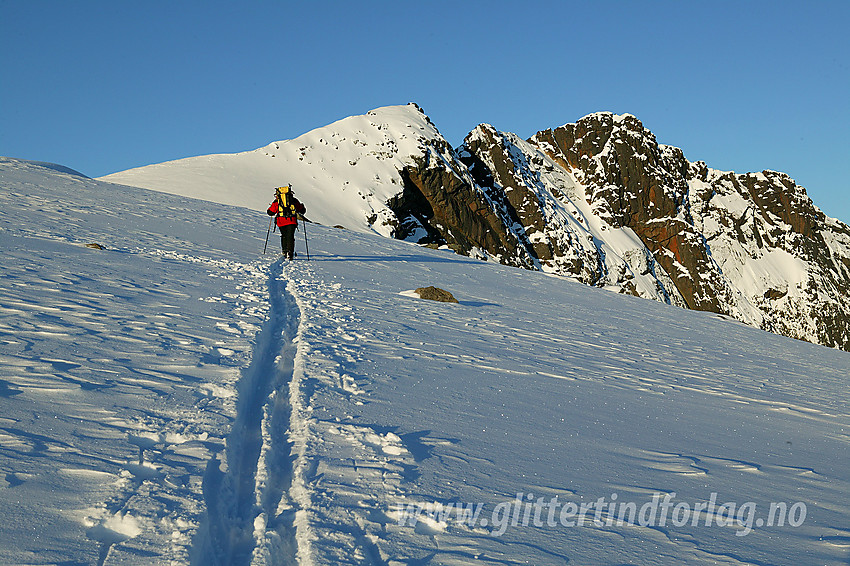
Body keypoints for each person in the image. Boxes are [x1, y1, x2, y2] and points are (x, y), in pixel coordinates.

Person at [267, 185, 306, 260]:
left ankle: (284, 251)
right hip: (292, 221)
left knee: (284, 235)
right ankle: (290, 253)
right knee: (290, 236)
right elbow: (301, 210)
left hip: (281, 221)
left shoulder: (277, 202)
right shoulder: (293, 200)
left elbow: (270, 212)